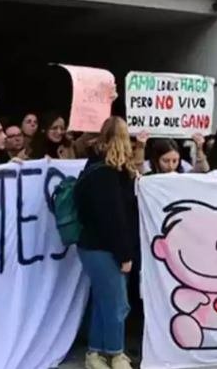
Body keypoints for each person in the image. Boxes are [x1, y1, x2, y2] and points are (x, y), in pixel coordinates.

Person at [74, 117, 138, 369]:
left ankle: (95, 353)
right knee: (117, 304)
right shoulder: (108, 175)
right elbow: (114, 220)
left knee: (104, 301)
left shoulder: (94, 166)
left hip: (91, 245)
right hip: (104, 247)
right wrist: (125, 255)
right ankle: (116, 353)